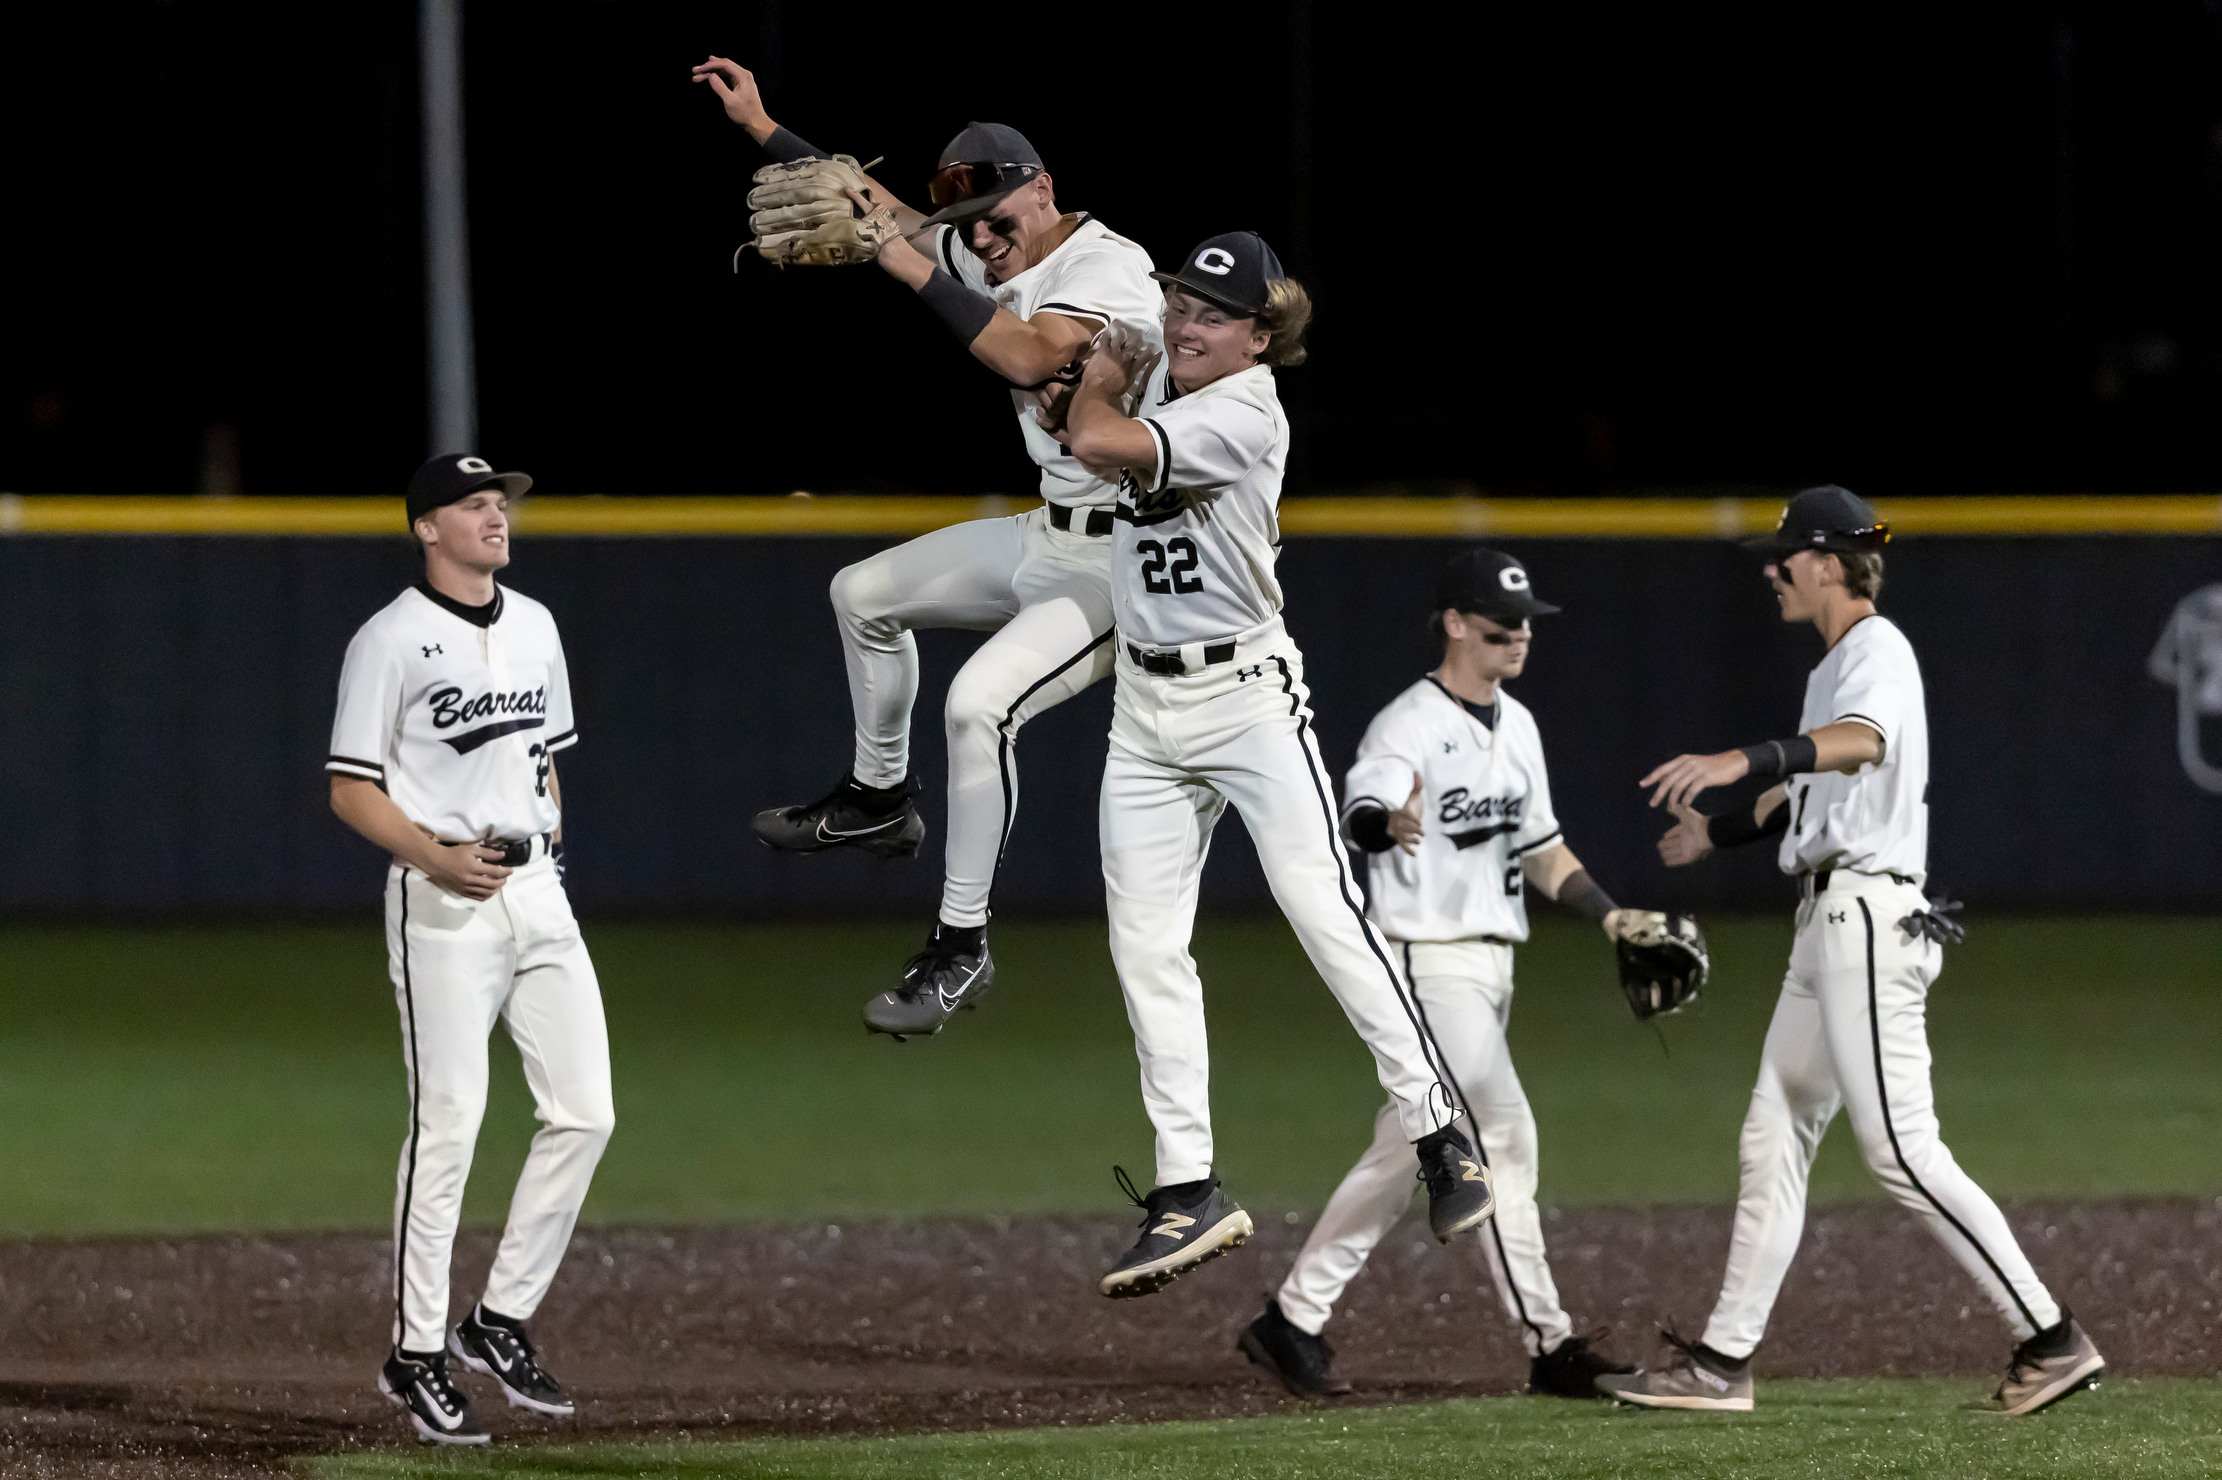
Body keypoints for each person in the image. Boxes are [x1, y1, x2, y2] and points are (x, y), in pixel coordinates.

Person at [1597, 485, 2103, 1416]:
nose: (1771, 569)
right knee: (1775, 1130)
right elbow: (1810, 792)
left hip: (1865, 922)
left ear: (1828, 563)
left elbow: (1856, 747)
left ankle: (2051, 1337)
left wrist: (1737, 760)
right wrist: (1721, 832)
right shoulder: (1833, 667)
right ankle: (1720, 1364)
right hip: (1828, 924)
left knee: (1900, 1152)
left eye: (1785, 555)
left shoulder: (1876, 649)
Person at [1058, 232, 1493, 1300]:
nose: (1184, 323)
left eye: (1210, 314)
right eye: (1177, 303)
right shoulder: (1163, 367)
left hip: (1245, 695)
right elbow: (1037, 366)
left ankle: (1439, 1129)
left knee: (1322, 911)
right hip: (1145, 702)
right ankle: (1186, 1187)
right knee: (1144, 945)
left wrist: (1096, 376)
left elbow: (1098, 444)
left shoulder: (1245, 408)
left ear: (1258, 336)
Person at [695, 57, 1162, 1038]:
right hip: (1050, 534)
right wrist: (763, 126)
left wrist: (903, 259)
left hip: (1124, 564)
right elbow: (887, 213)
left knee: (976, 705)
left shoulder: (1105, 266)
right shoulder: (990, 248)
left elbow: (1027, 352)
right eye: (970, 226)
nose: (980, 240)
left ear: (1042, 187)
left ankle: (959, 945)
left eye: (997, 216)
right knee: (860, 592)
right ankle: (876, 797)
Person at [1241, 550, 1644, 1399]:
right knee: (1499, 1134)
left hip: (1491, 965)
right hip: (1424, 962)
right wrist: (1387, 822)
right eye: (1504, 622)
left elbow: (1541, 849)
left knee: (1408, 1149)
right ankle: (1550, 1343)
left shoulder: (1519, 725)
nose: (1522, 634)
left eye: (1529, 620)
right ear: (1457, 624)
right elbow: (1362, 808)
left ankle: (1290, 1321)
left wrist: (1609, 913)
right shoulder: (1408, 723)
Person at [327, 455, 614, 1445]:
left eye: (501, 503)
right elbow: (351, 787)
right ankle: (412, 1354)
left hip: (536, 890)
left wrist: (549, 860)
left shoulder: (535, 624)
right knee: (449, 1121)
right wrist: (435, 855)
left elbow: (546, 756)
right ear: (426, 528)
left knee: (585, 1112)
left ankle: (494, 1320)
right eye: (474, 505)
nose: (496, 516)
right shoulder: (390, 640)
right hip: (440, 898)